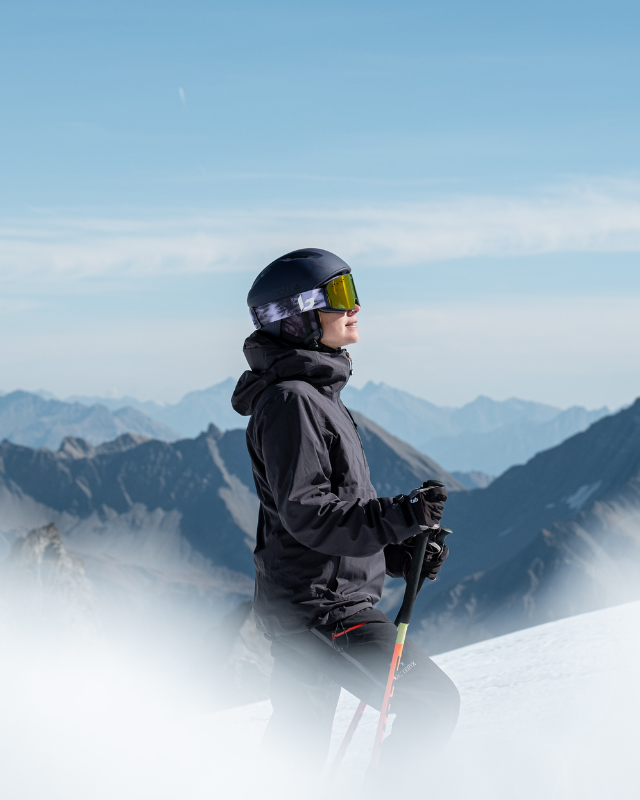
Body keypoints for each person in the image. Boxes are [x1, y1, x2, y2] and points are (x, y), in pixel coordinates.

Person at [231, 248, 459, 786]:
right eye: (339, 295)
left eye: (353, 290)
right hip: (323, 611)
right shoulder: (293, 402)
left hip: (309, 602)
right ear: (300, 313)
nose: (355, 306)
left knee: (296, 752)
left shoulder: (313, 395)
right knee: (431, 702)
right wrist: (397, 517)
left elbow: (321, 517)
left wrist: (396, 555)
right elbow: (309, 513)